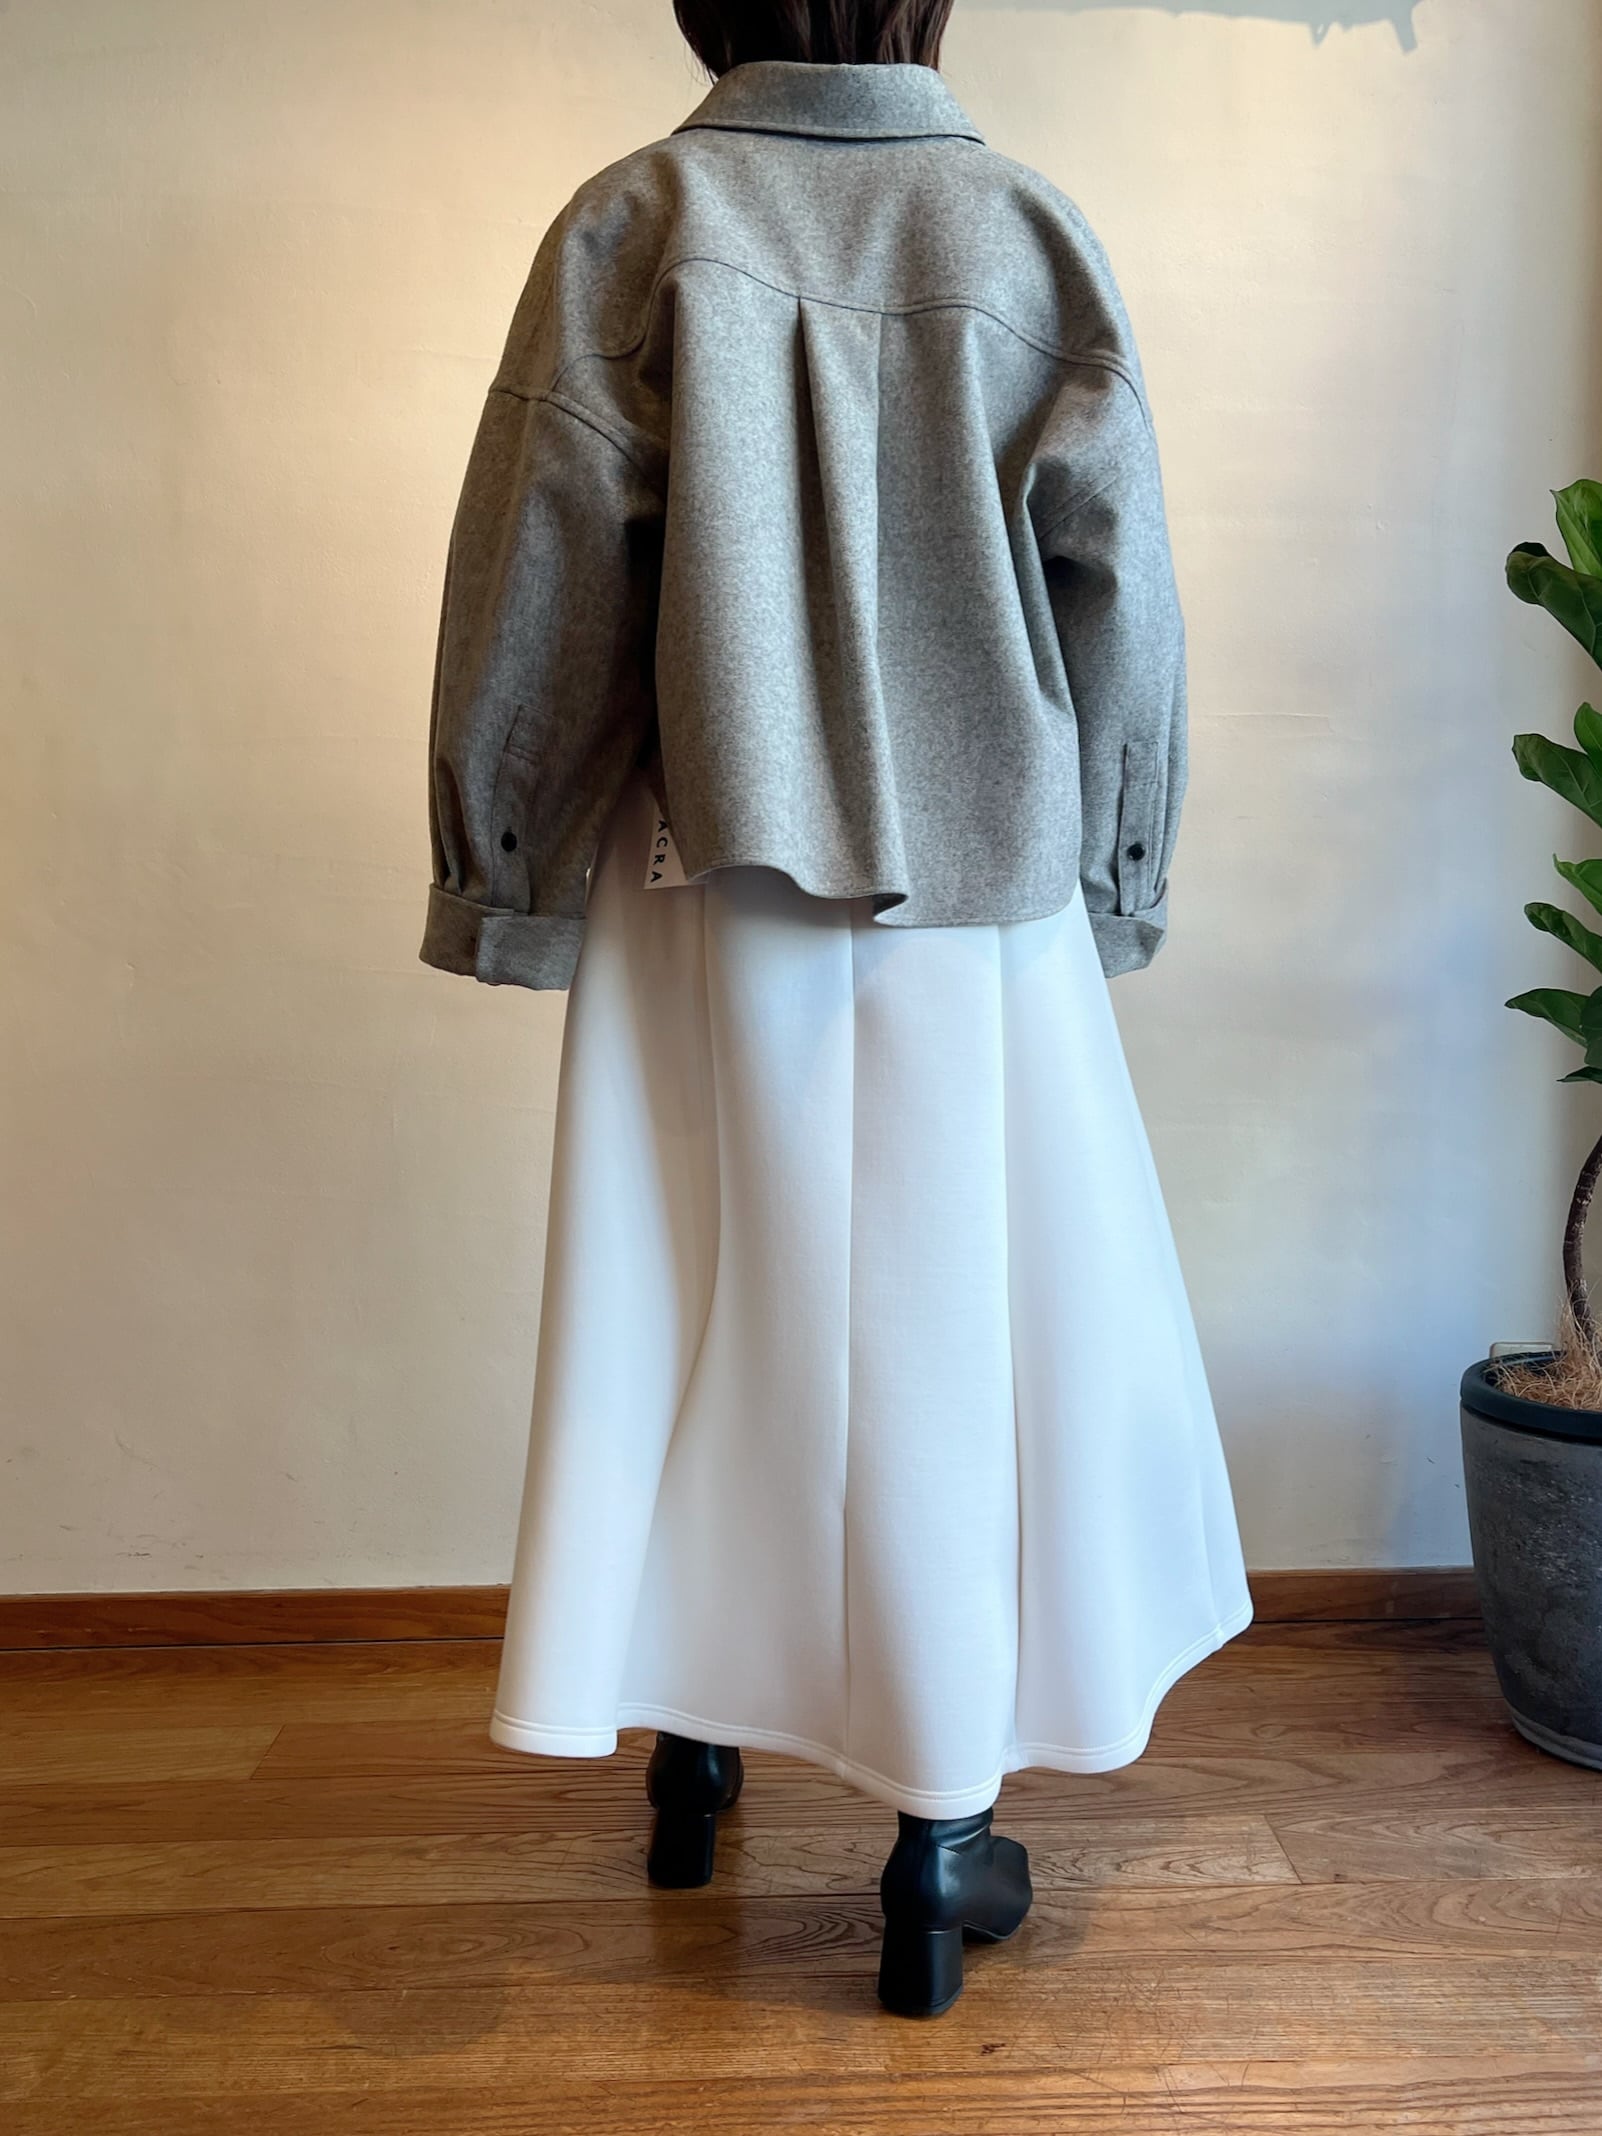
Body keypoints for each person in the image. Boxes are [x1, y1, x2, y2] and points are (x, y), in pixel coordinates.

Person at [418, 0, 1252, 2019]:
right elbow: (1118, 588)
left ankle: (691, 1754)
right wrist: (1118, 872)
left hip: (700, 873)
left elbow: (544, 573)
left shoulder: (636, 219)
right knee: (953, 1349)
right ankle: (933, 1847)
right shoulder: (1022, 228)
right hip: (982, 901)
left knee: (689, 1309)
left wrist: (508, 867)